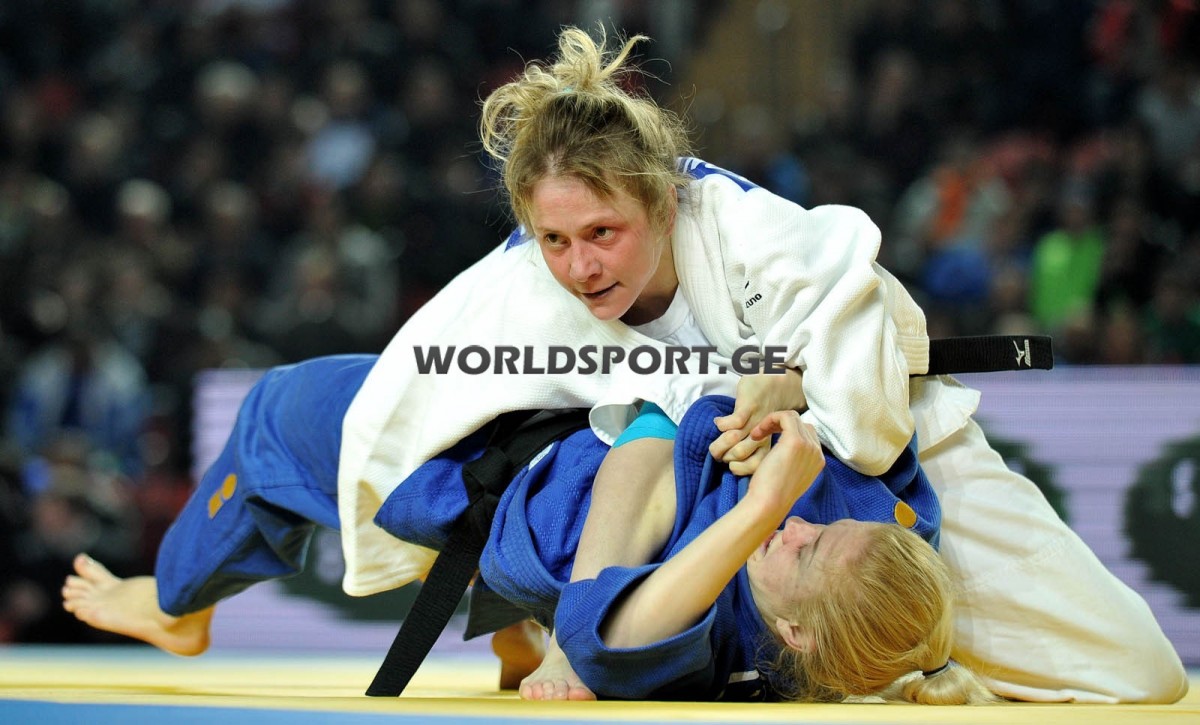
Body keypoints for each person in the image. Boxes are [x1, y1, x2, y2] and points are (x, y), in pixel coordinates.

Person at [72, 25, 1187, 704]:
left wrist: (785, 372)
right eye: (554, 239)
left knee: (1135, 669)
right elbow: (404, 406)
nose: (580, 266)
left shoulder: (742, 231)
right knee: (310, 419)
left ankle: (901, 660)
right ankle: (180, 601)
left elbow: (866, 335)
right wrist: (438, 557)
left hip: (874, 486)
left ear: (661, 200)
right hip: (666, 504)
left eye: (603, 233)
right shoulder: (519, 290)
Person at [63, 354, 995, 703]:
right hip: (566, 418)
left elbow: (593, 630)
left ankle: (177, 603)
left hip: (504, 477)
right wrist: (791, 380)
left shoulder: (711, 639)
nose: (796, 526)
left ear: (794, 631)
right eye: (819, 527)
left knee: (278, 410)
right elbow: (875, 401)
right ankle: (515, 623)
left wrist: (754, 501)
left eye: (804, 549)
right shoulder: (888, 536)